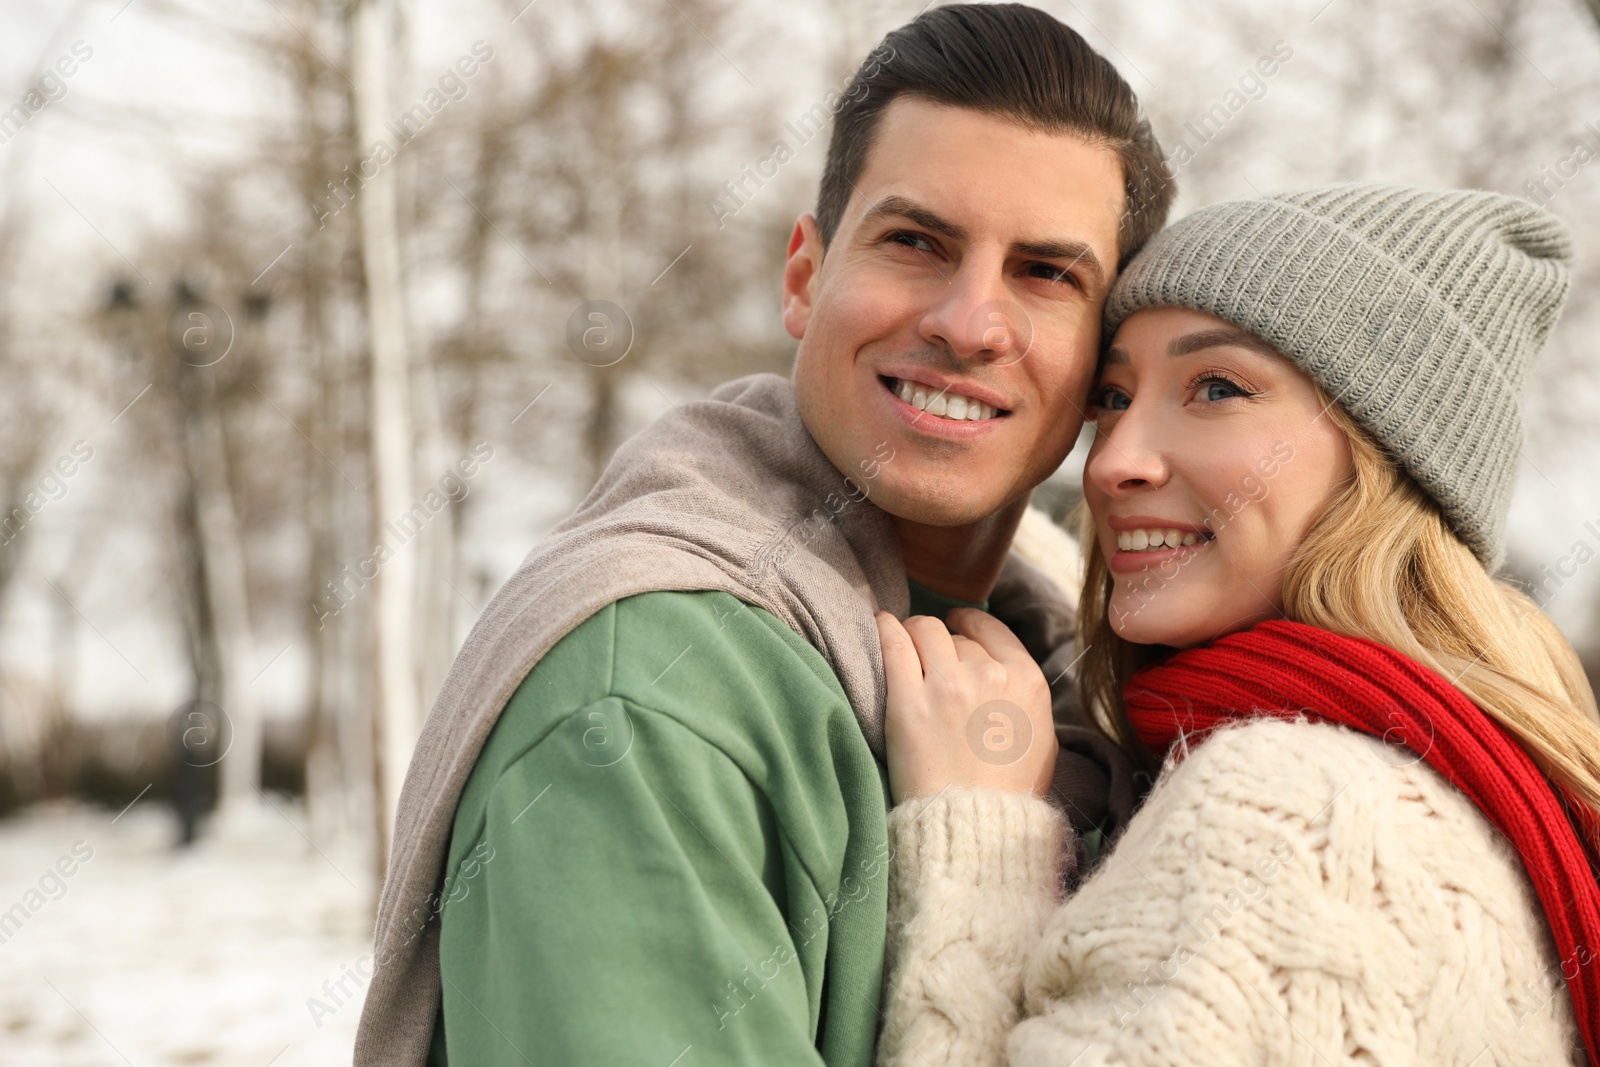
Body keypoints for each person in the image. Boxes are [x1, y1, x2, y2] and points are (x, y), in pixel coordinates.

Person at [352, 6, 1175, 1065]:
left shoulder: (1075, 687)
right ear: (803, 276)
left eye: (1045, 274)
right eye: (915, 242)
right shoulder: (650, 698)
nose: (969, 323)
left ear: (1106, 359)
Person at [874, 184, 1600, 1066]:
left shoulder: (1295, 814)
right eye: (1111, 397)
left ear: (1386, 463)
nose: (1115, 463)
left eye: (1216, 387)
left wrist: (980, 839)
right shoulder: (1460, 777)